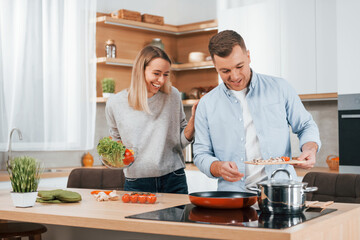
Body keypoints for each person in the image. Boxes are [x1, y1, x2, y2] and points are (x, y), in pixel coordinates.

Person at [193, 30, 321, 191]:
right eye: (225, 71)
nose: (235, 76)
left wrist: (309, 148)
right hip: (233, 198)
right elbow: (200, 153)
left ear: (248, 56)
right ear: (215, 66)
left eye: (239, 66)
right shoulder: (206, 104)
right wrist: (217, 167)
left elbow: (306, 125)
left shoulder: (280, 88)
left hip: (279, 193)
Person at [105, 45, 197, 194]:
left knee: (178, 218)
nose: (161, 80)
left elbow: (180, 142)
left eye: (166, 74)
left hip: (173, 178)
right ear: (140, 71)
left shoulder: (172, 95)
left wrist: (194, 120)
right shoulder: (115, 103)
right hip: (136, 182)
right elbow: (117, 144)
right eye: (156, 73)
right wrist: (113, 157)